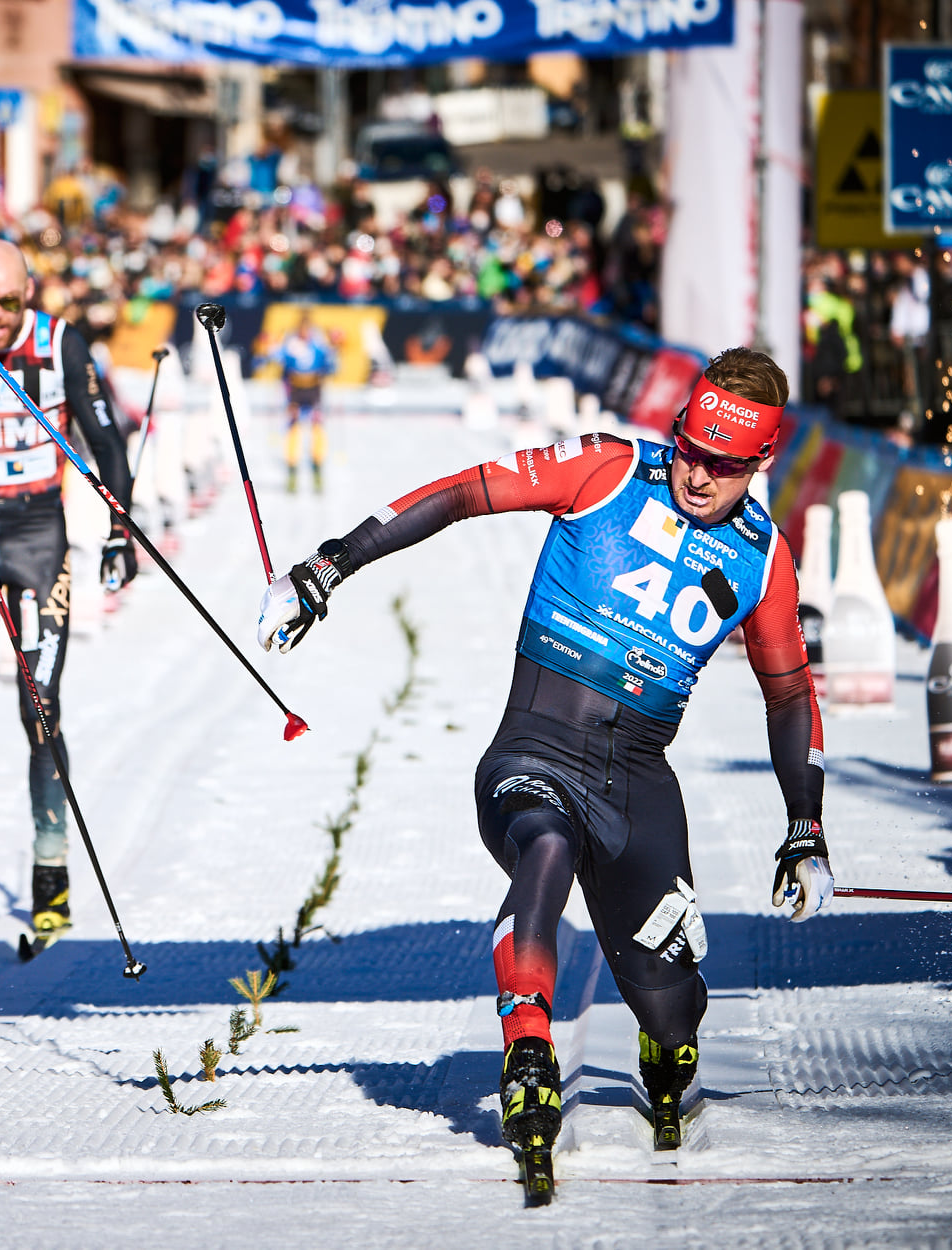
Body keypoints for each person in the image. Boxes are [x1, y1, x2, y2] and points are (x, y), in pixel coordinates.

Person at [256, 347, 832, 1168]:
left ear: (761, 460)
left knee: (669, 1007)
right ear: (677, 427)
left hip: (635, 779)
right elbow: (460, 492)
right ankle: (527, 1044)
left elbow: (788, 695)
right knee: (545, 841)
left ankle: (665, 1048)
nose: (698, 477)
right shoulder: (606, 468)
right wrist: (327, 565)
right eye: (692, 450)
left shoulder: (763, 556)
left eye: (725, 466)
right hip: (534, 742)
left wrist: (803, 826)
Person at [0, 238, 137, 939]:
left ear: (28, 293)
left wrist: (119, 531)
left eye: (6, 302)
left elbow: (109, 447)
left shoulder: (61, 343)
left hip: (39, 536)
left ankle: (50, 871)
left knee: (39, 712)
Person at [261, 308, 334, 493]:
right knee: (293, 428)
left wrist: (333, 355)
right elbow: (275, 357)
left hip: (313, 389)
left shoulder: (318, 344)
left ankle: (317, 468)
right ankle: (292, 470)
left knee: (317, 427)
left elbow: (329, 364)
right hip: (295, 390)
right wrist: (270, 351)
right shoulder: (291, 343)